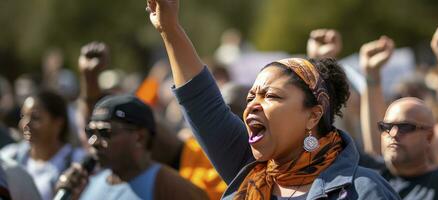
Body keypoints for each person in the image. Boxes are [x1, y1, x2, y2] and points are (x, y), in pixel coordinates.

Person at [146, 0, 400, 199]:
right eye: (250, 96)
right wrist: (170, 28)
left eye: (270, 96)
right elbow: (201, 103)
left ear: (313, 114)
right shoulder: (249, 170)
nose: (252, 105)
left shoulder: (364, 190)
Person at [359, 27, 438, 199]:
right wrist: (371, 75)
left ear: (429, 136)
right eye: (386, 126)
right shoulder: (371, 179)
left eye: (405, 127)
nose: (393, 134)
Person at [56, 94, 208, 200]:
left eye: (105, 132)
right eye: (90, 132)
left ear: (140, 137)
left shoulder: (172, 188)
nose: (93, 142)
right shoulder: (85, 186)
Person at [0, 90, 85, 200]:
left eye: (35, 118)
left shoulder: (77, 162)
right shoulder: (9, 156)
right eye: (23, 116)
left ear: (58, 123)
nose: (25, 124)